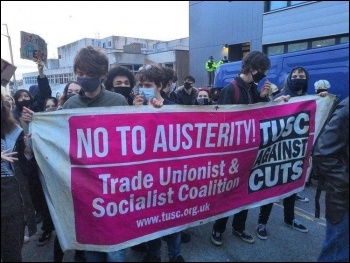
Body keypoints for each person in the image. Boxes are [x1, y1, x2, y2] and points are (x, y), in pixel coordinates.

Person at [211, 51, 272, 246]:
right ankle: (218, 228)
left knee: (245, 192)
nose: (264, 74)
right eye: (262, 70)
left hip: (249, 150)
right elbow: (222, 123)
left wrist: (263, 98)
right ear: (253, 68)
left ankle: (239, 227)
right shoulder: (231, 89)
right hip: (232, 153)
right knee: (228, 193)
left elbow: (258, 115)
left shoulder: (253, 88)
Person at [255, 66, 312, 241]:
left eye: (301, 76)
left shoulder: (311, 99)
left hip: (297, 151)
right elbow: (264, 116)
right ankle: (262, 222)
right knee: (272, 188)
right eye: (294, 75)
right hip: (278, 152)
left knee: (291, 188)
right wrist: (274, 103)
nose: (297, 78)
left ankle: (290, 219)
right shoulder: (281, 97)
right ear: (289, 79)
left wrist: (324, 100)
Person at [135, 64, 184, 262]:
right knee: (150, 219)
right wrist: (135, 113)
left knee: (173, 219)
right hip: (147, 175)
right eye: (141, 85)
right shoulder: (134, 107)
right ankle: (153, 254)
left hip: (171, 175)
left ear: (160, 86)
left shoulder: (174, 108)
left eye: (148, 84)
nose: (143, 88)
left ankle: (175, 255)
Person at [312, 97, 349, 262]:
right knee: (337, 255)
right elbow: (324, 151)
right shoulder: (347, 108)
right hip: (344, 201)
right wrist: (345, 183)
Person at [1, 93, 37, 262]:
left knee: (12, 250)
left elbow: (24, 165)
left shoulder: (14, 131)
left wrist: (28, 150)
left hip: (11, 194)